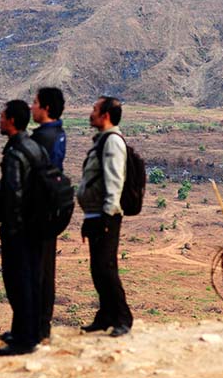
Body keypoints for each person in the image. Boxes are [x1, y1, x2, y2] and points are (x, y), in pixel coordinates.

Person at [0, 100, 50, 356]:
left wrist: (12, 227)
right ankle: (26, 331)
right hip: (37, 226)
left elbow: (13, 194)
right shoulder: (35, 147)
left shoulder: (16, 153)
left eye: (2, 117)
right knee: (30, 280)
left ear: (12, 121)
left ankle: (24, 340)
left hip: (21, 230)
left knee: (19, 282)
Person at [76, 96, 133, 337]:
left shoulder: (112, 142)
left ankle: (123, 318)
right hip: (95, 214)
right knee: (98, 269)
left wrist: (108, 216)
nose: (91, 113)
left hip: (105, 216)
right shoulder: (102, 141)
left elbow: (114, 180)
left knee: (106, 268)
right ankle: (106, 315)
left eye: (95, 109)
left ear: (106, 115)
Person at [30, 87, 67, 342]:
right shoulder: (58, 134)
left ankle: (38, 327)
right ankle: (41, 324)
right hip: (50, 211)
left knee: (37, 271)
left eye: (35, 102)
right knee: (45, 269)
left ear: (46, 108)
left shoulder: (44, 138)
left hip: (40, 212)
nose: (32, 107)